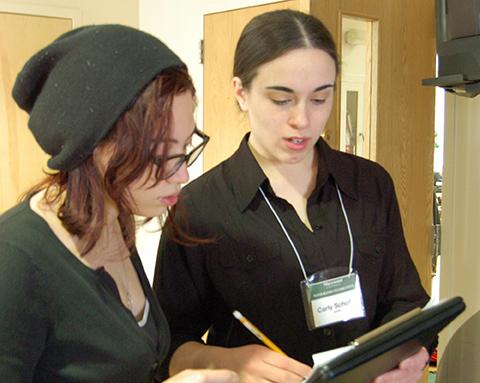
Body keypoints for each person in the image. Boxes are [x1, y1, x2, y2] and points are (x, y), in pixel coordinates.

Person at [154, 9, 431, 383]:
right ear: (241, 92)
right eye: (282, 100)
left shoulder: (370, 184)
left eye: (319, 99)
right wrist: (228, 360)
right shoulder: (199, 208)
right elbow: (167, 346)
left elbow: (405, 301)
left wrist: (412, 352)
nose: (303, 120)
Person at [0, 24, 239, 383]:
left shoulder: (114, 221)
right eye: (161, 156)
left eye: (186, 147)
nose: (183, 174)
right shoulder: (16, 262)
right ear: (94, 147)